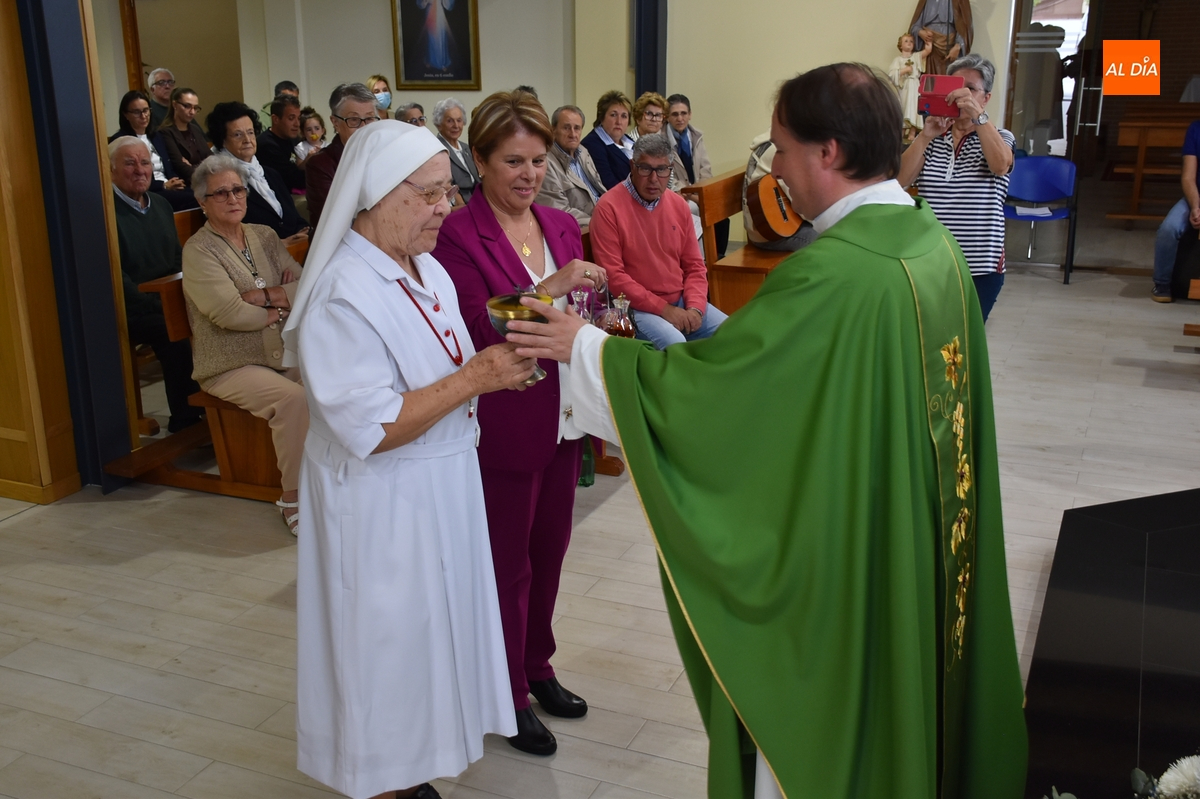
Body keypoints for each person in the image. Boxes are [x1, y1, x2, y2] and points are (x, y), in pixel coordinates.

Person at [504, 61, 1028, 799]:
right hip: (910, 536)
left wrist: (585, 350)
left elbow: (720, 399)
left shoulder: (841, 275)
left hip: (852, 570)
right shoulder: (926, 241)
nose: (773, 167)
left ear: (830, 152)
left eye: (781, 148)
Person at [282, 120, 534, 799]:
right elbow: (373, 425)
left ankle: (413, 763)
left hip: (440, 485)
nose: (444, 209)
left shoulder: (427, 268)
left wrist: (496, 367)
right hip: (382, 501)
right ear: (375, 195)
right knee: (383, 647)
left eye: (447, 192)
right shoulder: (342, 294)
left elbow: (444, 366)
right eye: (428, 195)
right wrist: (478, 377)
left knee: (430, 639)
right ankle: (380, 778)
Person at [431, 91, 606, 758]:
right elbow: (476, 323)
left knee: (550, 552)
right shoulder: (458, 231)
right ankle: (506, 693)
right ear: (479, 159)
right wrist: (554, 288)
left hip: (562, 409)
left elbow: (582, 306)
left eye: (537, 160)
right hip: (503, 416)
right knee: (507, 565)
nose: (529, 173)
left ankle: (539, 664)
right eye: (513, 161)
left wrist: (596, 319)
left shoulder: (561, 223)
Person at [182, 154, 307, 532]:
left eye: (238, 189)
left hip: (277, 352)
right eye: (220, 193)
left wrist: (267, 295)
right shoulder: (199, 250)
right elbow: (227, 313)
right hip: (229, 363)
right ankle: (294, 497)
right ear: (203, 202)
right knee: (294, 401)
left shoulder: (264, 235)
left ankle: (333, 481)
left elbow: (306, 285)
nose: (233, 198)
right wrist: (278, 307)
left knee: (337, 376)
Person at [899, 53, 1014, 322]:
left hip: (980, 265)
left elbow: (1000, 165)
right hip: (930, 259)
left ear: (986, 98)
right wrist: (926, 136)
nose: (960, 95)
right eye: (955, 89)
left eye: (970, 89)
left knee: (964, 343)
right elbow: (901, 181)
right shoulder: (932, 138)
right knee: (928, 339)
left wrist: (979, 118)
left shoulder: (1001, 137)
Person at [590, 135, 726, 349]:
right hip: (635, 308)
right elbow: (615, 279)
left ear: (670, 169)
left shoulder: (679, 205)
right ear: (632, 166)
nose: (654, 179)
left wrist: (695, 309)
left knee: (732, 333)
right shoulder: (608, 208)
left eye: (662, 170)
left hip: (681, 300)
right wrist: (665, 310)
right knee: (675, 344)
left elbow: (695, 266)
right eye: (646, 168)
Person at [109, 136, 203, 434]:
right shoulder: (106, 212)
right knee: (172, 332)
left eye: (145, 162)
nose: (140, 170)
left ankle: (219, 407)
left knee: (215, 315)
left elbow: (177, 261)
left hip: (166, 298)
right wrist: (164, 305)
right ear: (110, 169)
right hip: (134, 308)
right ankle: (186, 421)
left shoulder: (161, 205)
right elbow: (117, 279)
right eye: (129, 163)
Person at [206, 101, 309, 244]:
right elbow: (231, 236)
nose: (247, 140)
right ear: (222, 140)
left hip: (294, 252)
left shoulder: (271, 174)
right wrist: (280, 245)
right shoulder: (220, 182)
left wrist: (304, 232)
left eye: (250, 132)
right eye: (237, 135)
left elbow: (295, 218)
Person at [306, 83, 380, 230]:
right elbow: (335, 224)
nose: (364, 127)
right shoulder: (320, 165)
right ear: (335, 122)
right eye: (354, 120)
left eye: (370, 119)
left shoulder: (384, 156)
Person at [109, 90, 196, 210]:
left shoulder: (157, 136)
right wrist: (163, 185)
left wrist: (176, 181)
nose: (143, 116)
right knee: (195, 198)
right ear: (125, 114)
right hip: (148, 191)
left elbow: (169, 166)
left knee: (204, 194)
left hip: (170, 186)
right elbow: (129, 176)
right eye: (136, 112)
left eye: (146, 110)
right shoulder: (120, 141)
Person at [665, 93, 726, 255]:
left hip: (697, 191)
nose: (680, 118)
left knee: (720, 210)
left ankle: (717, 258)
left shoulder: (697, 137)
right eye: (675, 114)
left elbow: (705, 170)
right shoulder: (662, 140)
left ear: (690, 114)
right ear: (667, 117)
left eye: (683, 113)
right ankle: (697, 258)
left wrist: (702, 192)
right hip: (679, 194)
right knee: (692, 209)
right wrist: (692, 194)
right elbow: (669, 177)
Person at [742, 132, 818, 252]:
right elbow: (803, 205)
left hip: (774, 226)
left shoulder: (778, 140)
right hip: (773, 234)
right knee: (831, 244)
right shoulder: (779, 149)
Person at [1151, 119, 1200, 302]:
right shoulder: (1196, 129)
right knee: (1168, 228)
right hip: (1196, 196)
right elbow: (1188, 177)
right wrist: (1195, 207)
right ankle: (1162, 284)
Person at [536, 104, 605, 227]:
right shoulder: (545, 162)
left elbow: (599, 190)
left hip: (603, 216)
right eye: (566, 128)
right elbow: (559, 212)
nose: (572, 134)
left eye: (577, 128)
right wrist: (601, 223)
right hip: (584, 230)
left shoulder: (583, 151)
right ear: (553, 130)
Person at [580, 90, 634, 190]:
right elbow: (608, 183)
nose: (619, 122)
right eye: (613, 115)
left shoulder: (630, 141)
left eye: (624, 116)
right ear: (601, 117)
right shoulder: (592, 144)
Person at [158, 86, 210, 184]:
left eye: (195, 108)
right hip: (186, 183)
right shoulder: (166, 132)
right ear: (175, 105)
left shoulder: (195, 129)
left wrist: (192, 166)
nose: (192, 112)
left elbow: (209, 157)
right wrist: (202, 172)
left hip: (205, 179)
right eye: (187, 106)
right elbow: (179, 165)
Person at [433, 98, 479, 206]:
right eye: (450, 121)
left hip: (477, 202)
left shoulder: (467, 148)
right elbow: (445, 187)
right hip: (459, 207)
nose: (456, 126)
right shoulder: (437, 150)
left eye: (459, 120)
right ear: (439, 124)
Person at [257, 94, 308, 191]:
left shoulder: (293, 138)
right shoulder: (267, 145)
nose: (297, 124)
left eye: (298, 118)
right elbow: (293, 179)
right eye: (291, 118)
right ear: (275, 119)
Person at [910, 0, 974, 75]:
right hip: (929, 48)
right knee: (930, 82)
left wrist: (958, 45)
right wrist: (920, 32)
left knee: (948, 81)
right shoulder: (925, 1)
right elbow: (914, 26)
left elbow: (965, 26)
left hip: (950, 48)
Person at [890, 33, 926, 138]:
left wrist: (929, 43)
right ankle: (902, 130)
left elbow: (927, 51)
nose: (909, 43)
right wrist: (904, 70)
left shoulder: (916, 57)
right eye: (906, 41)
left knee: (914, 107)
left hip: (914, 85)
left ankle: (912, 132)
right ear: (900, 45)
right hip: (904, 87)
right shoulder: (898, 60)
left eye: (911, 41)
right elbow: (891, 75)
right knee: (904, 107)